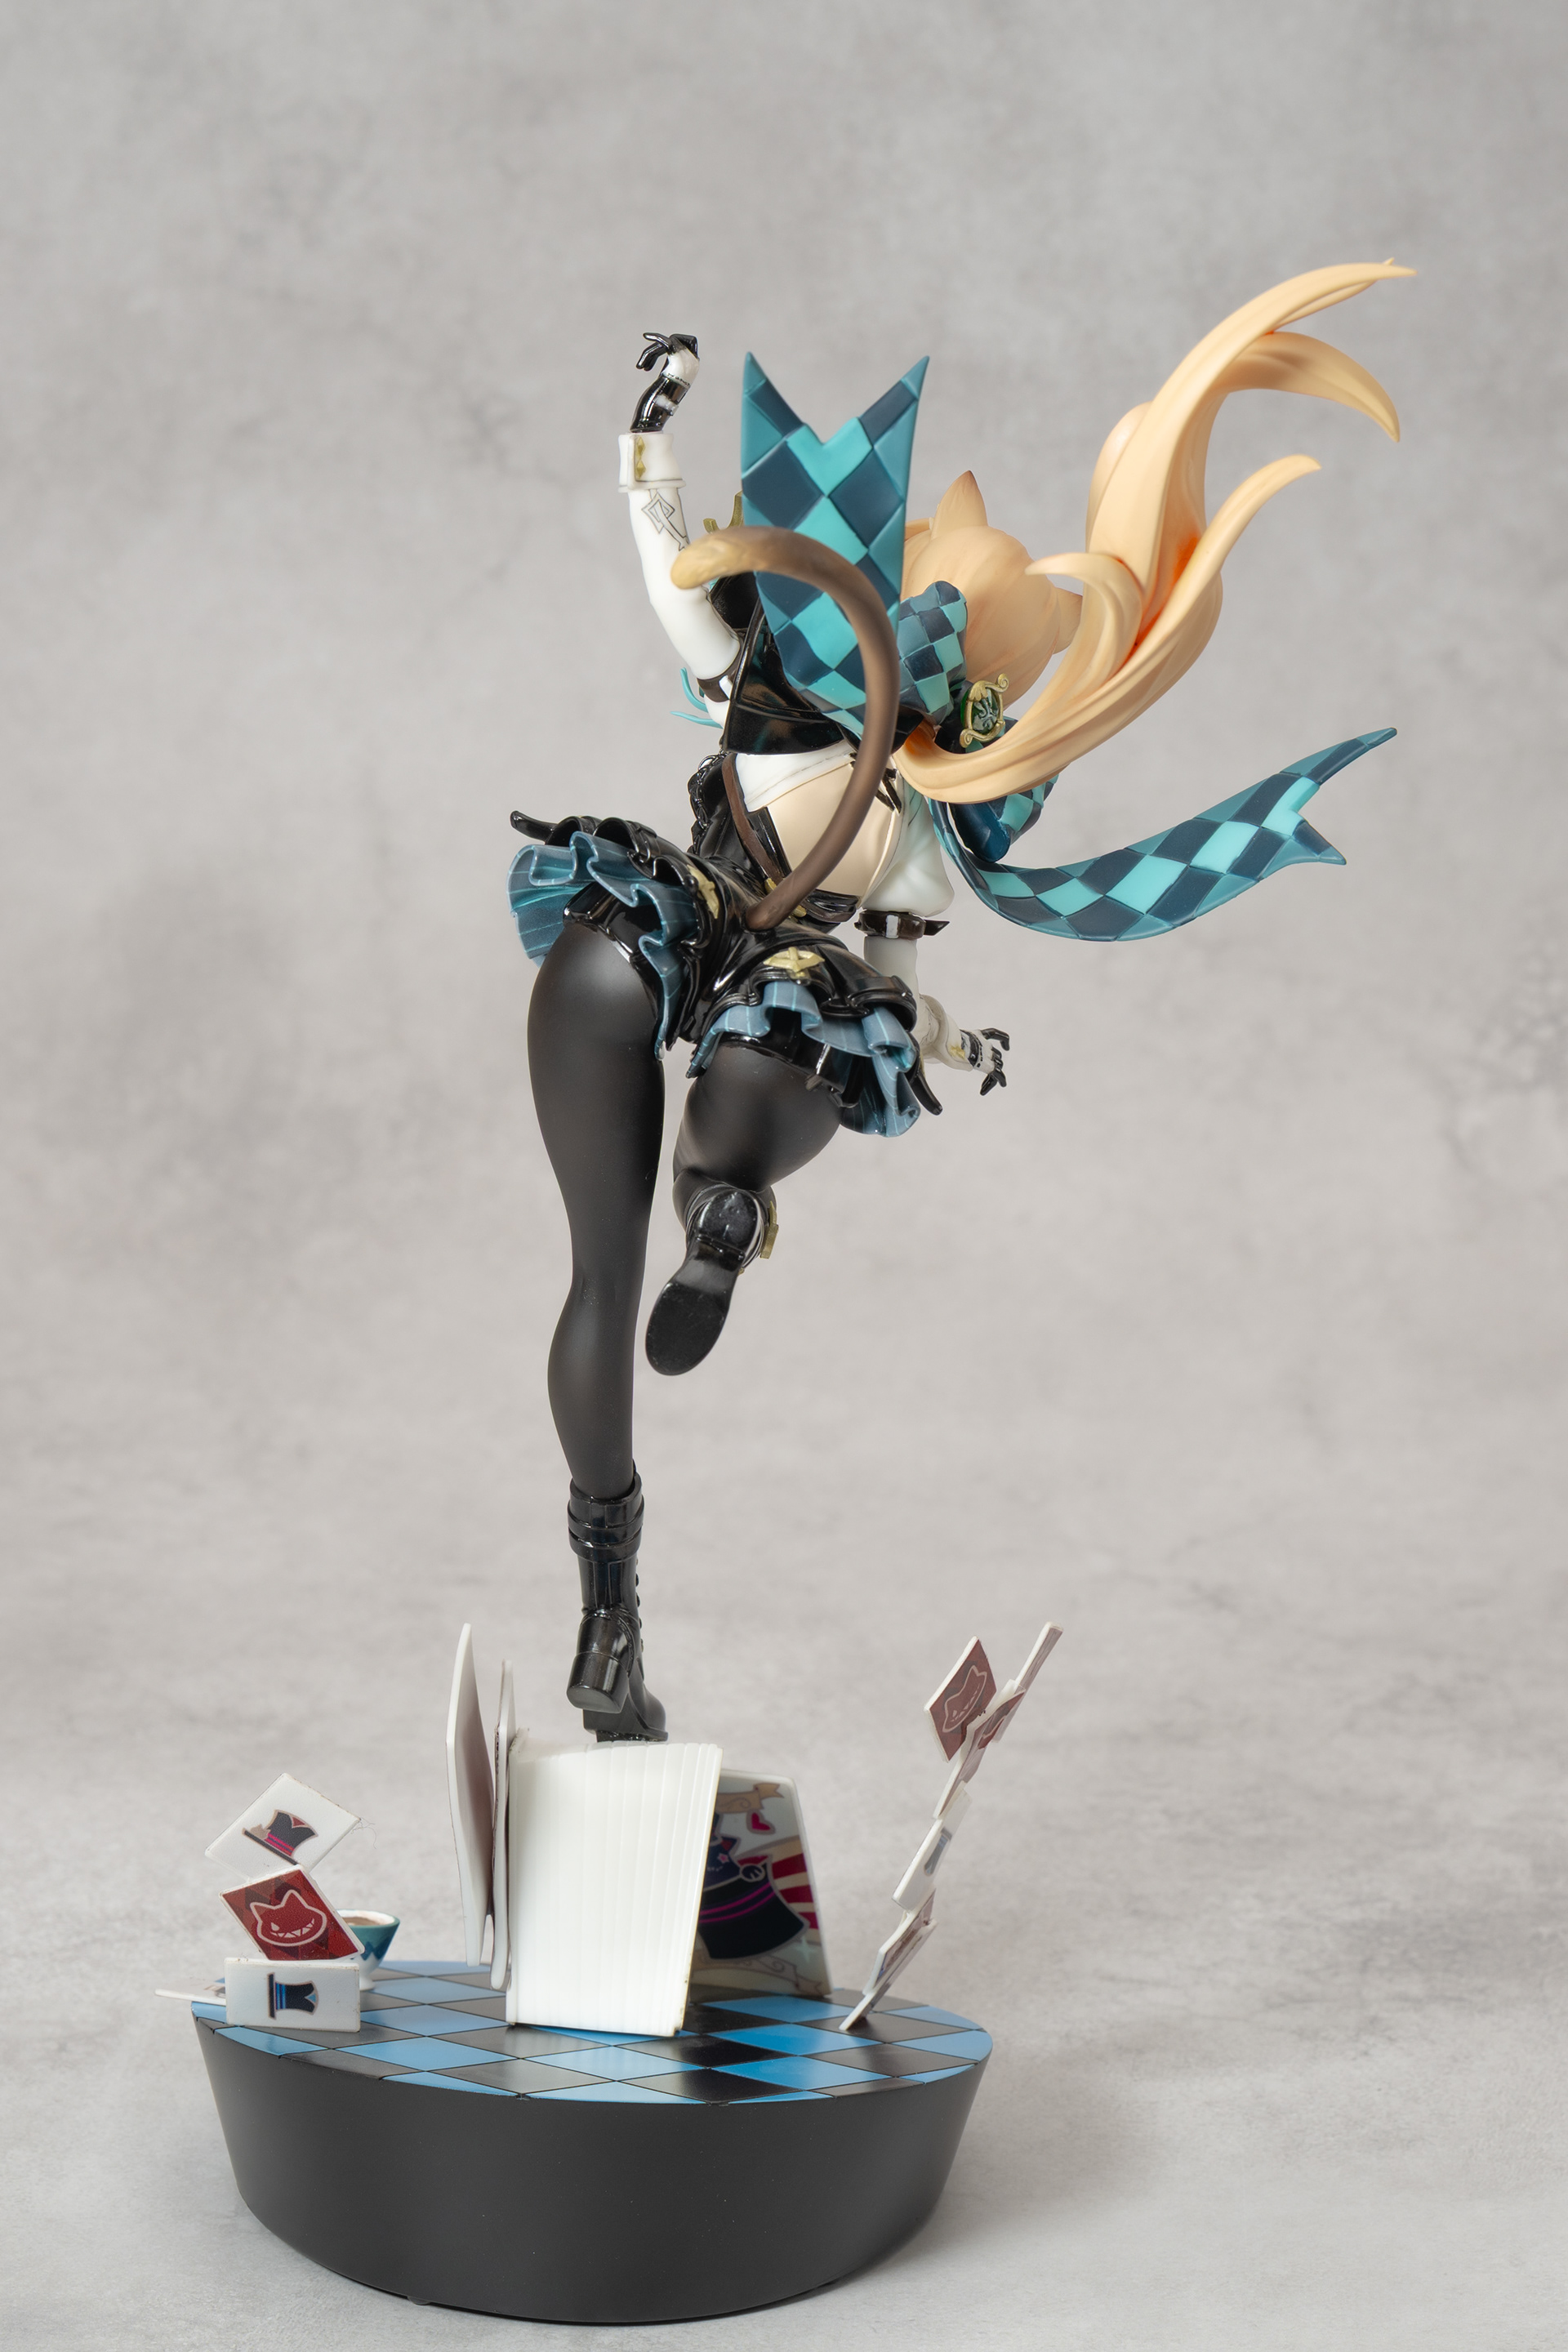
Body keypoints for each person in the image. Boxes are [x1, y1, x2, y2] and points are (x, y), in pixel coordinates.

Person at [510, 265, 1410, 1741]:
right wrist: (950, 1042)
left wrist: (646, 444)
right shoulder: (929, 821)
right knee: (808, 1036)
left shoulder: (775, 693)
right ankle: (727, 1203)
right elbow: (897, 988)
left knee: (597, 1279)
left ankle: (609, 1600)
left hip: (645, 929)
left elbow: (670, 572)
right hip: (777, 996)